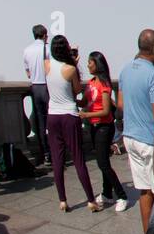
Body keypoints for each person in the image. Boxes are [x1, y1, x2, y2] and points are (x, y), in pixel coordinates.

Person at [118, 29, 154, 232]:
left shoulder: (125, 70)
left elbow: (121, 104)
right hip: (149, 141)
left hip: (130, 136)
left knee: (144, 191)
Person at [44, 36, 101, 213]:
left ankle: (62, 199)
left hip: (52, 115)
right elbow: (77, 90)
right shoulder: (70, 69)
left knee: (57, 160)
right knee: (78, 159)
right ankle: (91, 200)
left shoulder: (46, 64)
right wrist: (74, 63)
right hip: (69, 114)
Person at [79, 50, 127, 212]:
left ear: (97, 64)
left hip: (104, 128)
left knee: (103, 163)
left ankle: (121, 195)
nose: (88, 65)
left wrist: (86, 114)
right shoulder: (91, 83)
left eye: (90, 62)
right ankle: (107, 193)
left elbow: (106, 111)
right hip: (94, 127)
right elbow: (84, 101)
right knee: (103, 162)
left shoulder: (104, 85)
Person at [22, 24, 50, 166]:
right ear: (44, 35)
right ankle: (53, 151)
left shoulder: (27, 50)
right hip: (47, 86)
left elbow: (28, 72)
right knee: (51, 119)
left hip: (35, 87)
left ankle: (44, 152)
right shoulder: (47, 49)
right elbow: (50, 69)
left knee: (40, 121)